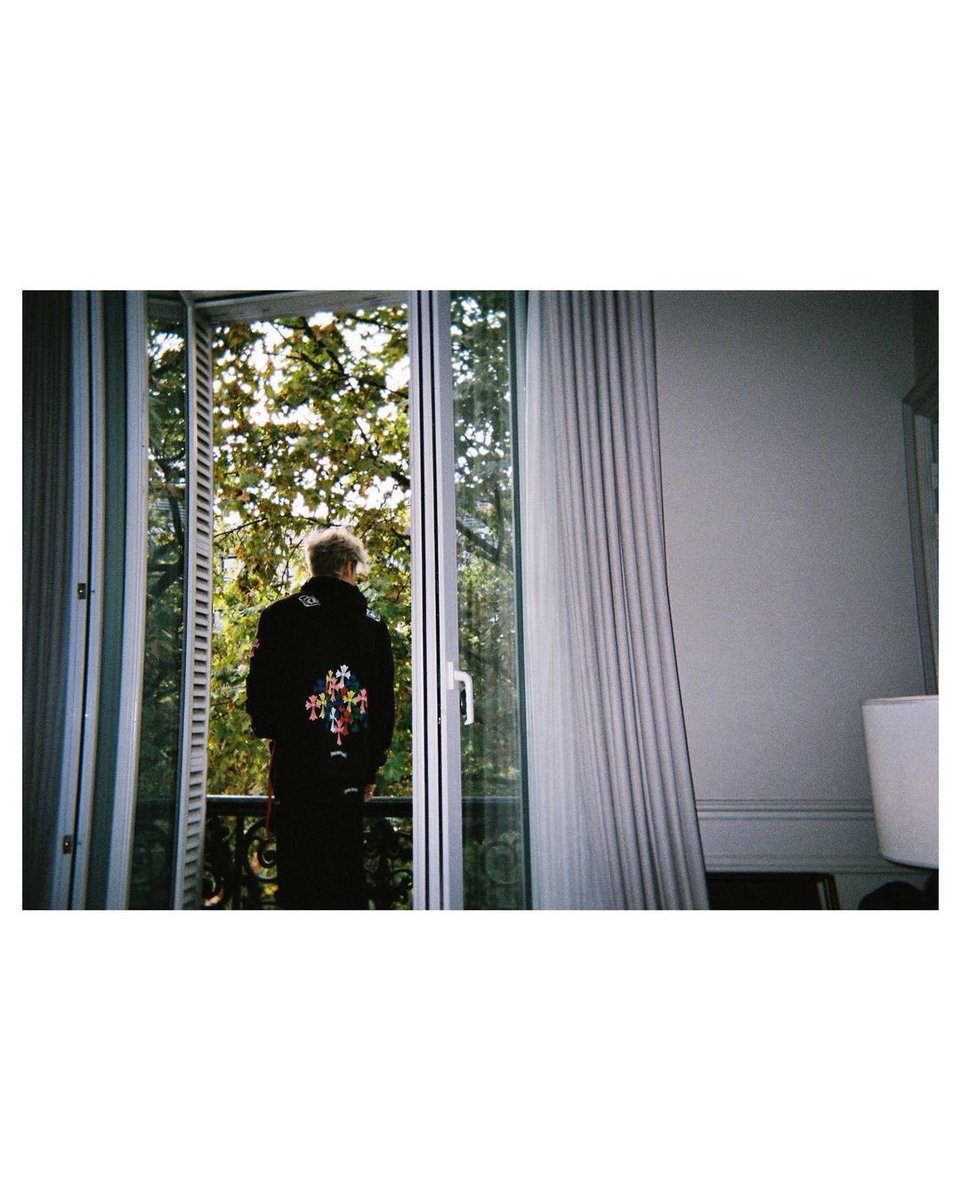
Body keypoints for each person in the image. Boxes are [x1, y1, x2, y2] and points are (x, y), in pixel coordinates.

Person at [245, 527, 395, 909]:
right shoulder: (373, 625)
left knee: (299, 877)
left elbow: (259, 694)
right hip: (350, 772)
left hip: (297, 769)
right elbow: (383, 705)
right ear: (348, 567)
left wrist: (280, 730)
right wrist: (371, 767)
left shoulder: (280, 616)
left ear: (314, 567)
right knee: (346, 875)